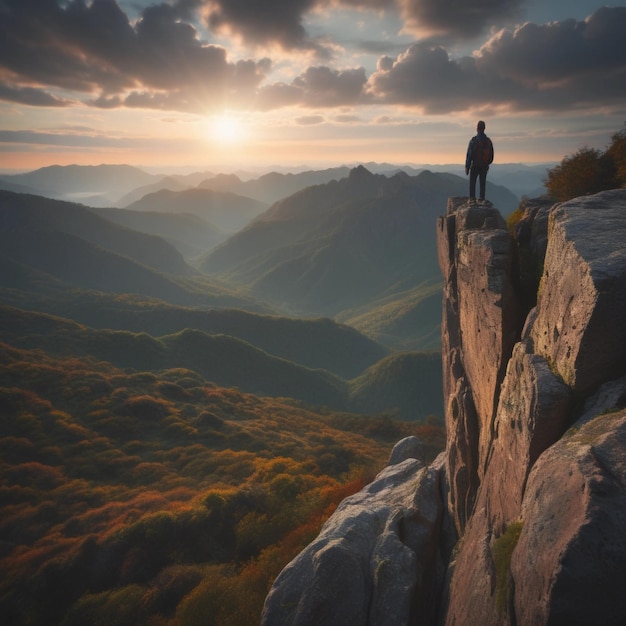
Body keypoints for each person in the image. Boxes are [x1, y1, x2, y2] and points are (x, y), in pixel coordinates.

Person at [465, 120, 494, 202]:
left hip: (475, 165)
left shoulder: (474, 140)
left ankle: (472, 199)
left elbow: (469, 154)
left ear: (477, 128)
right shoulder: (488, 141)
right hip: (484, 166)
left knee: (472, 182)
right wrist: (487, 163)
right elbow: (491, 156)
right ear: (484, 128)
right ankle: (481, 198)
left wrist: (467, 166)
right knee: (482, 182)